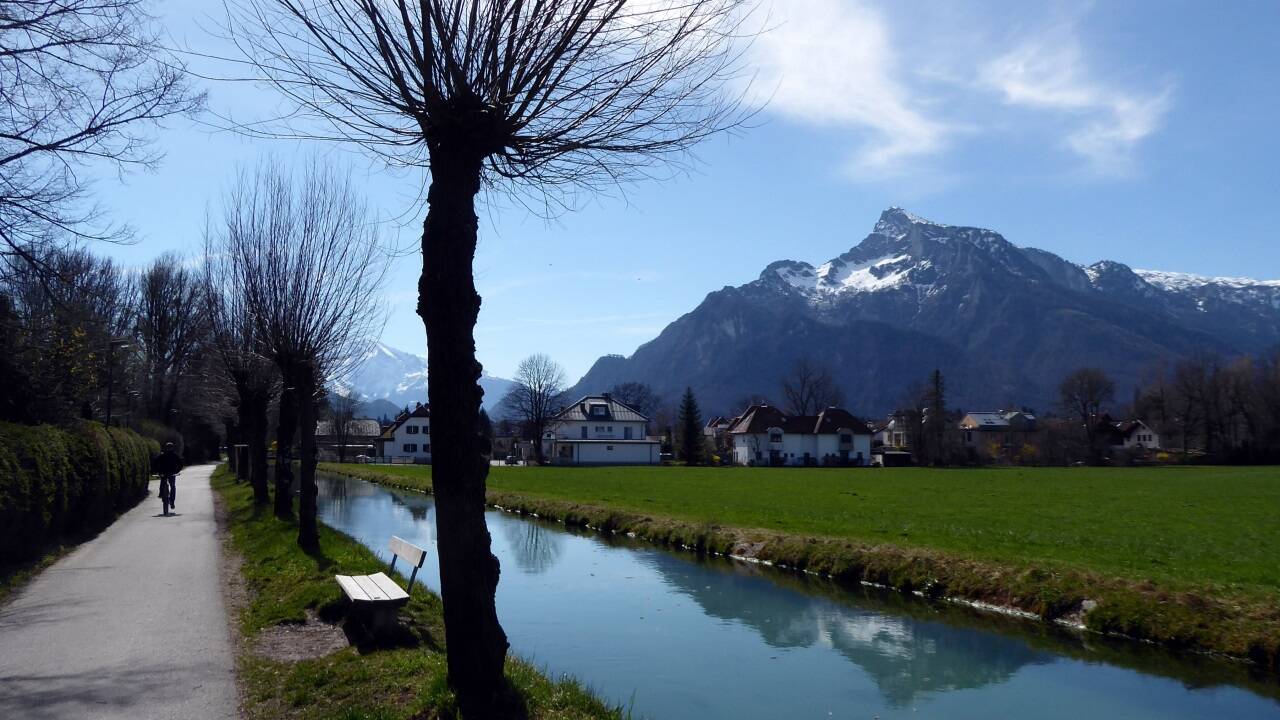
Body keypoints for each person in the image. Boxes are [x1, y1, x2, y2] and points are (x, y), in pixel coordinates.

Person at [152, 442, 184, 515]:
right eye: (168, 447)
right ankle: (169, 500)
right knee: (170, 485)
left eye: (170, 447)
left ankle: (168, 499)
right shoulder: (172, 455)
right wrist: (177, 470)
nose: (169, 449)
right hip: (169, 473)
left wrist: (157, 470)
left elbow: (155, 462)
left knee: (170, 485)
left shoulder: (165, 455)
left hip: (169, 473)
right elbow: (181, 463)